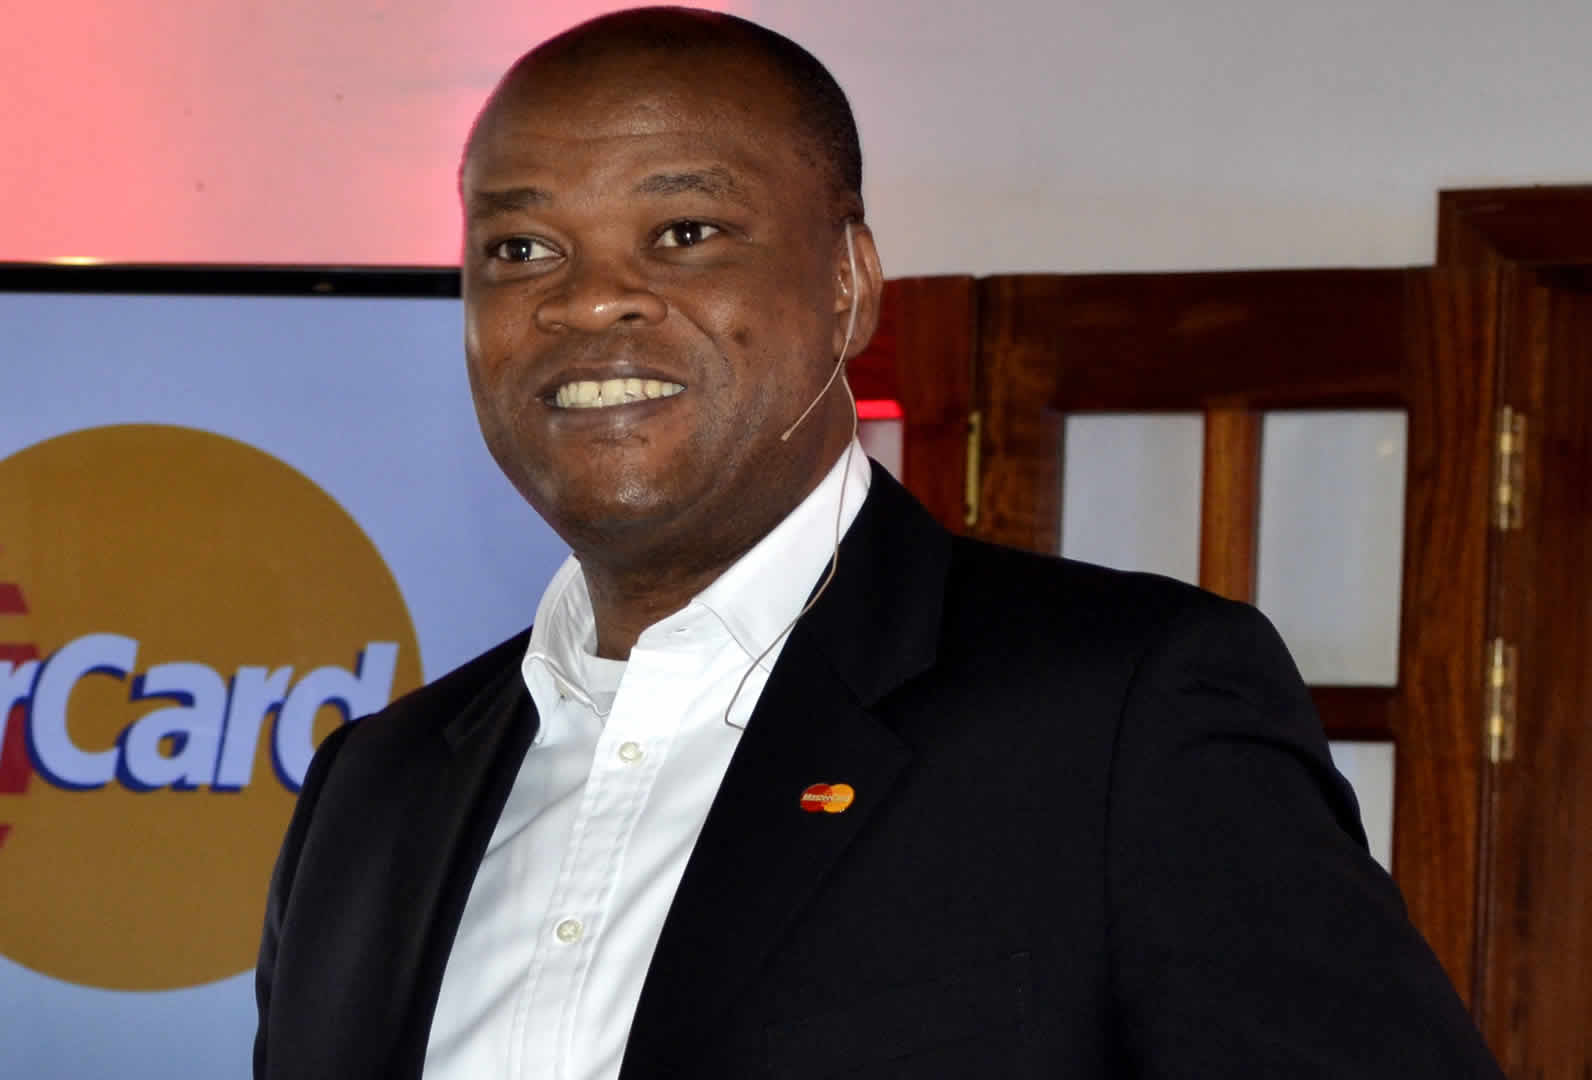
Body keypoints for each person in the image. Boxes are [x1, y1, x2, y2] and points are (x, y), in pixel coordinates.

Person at [254, 7, 1504, 1077]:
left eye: (685, 232)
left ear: (849, 284)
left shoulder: (1119, 716)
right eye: (521, 249)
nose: (587, 298)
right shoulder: (377, 791)